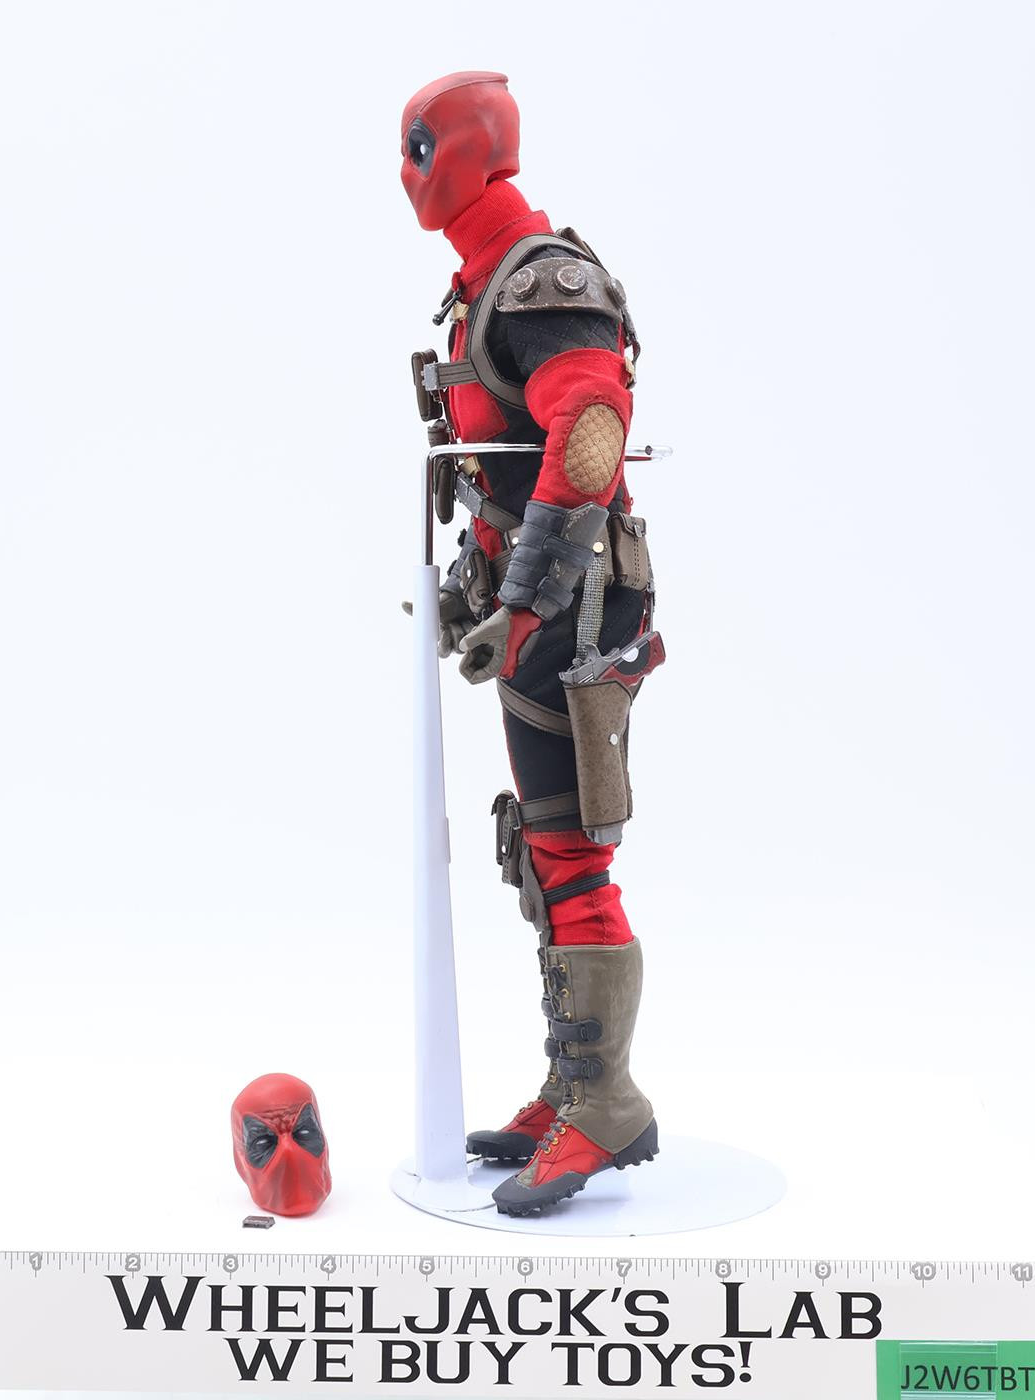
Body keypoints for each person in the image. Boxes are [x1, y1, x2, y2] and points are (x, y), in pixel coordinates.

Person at [402, 72, 662, 1215]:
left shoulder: (538, 281)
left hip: (570, 610)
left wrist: (524, 601)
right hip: (533, 607)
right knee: (543, 845)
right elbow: (500, 465)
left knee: (570, 849)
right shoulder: (482, 284)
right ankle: (572, 1082)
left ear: (465, 152)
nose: (405, 172)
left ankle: (604, 1100)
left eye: (418, 147)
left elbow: (589, 430)